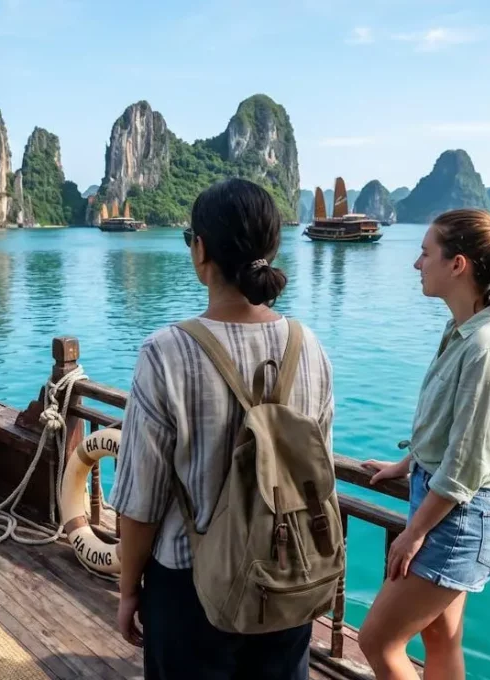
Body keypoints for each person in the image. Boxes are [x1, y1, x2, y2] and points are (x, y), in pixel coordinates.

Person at [109, 178, 335, 680]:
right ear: (270, 248)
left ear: (201, 249)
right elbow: (317, 477)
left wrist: (128, 592)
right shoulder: (310, 348)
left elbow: (140, 499)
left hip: (191, 586)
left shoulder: (167, 353)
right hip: (285, 576)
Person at [358, 209, 490, 680]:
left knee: (377, 640)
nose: (417, 264)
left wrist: (414, 532)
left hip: (460, 517)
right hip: (445, 504)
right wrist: (409, 462)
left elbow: (467, 462)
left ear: (457, 264)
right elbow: (452, 428)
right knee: (439, 641)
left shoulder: (489, 347)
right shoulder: (464, 332)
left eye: (425, 253)